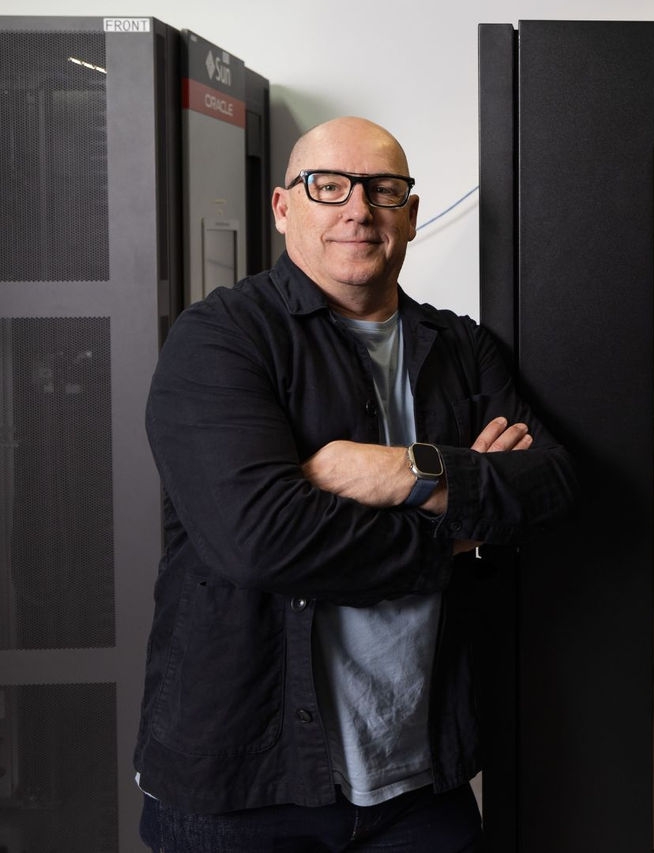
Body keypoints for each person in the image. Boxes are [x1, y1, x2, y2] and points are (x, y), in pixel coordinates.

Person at [133, 116, 576, 851]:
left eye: (383, 189)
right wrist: (459, 530)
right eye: (329, 186)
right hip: (242, 788)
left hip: (420, 784)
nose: (358, 209)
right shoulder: (220, 341)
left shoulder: (460, 349)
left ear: (410, 211)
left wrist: (401, 467)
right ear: (284, 207)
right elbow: (261, 539)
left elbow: (551, 481)